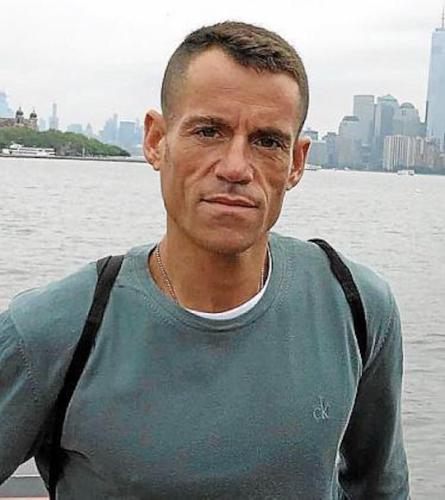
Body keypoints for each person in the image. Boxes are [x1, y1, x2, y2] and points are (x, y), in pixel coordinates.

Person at [0, 21, 409, 499]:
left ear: (296, 163)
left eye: (267, 141)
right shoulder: (53, 329)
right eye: (209, 131)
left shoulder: (355, 306)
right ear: (156, 140)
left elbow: (381, 487)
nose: (235, 167)